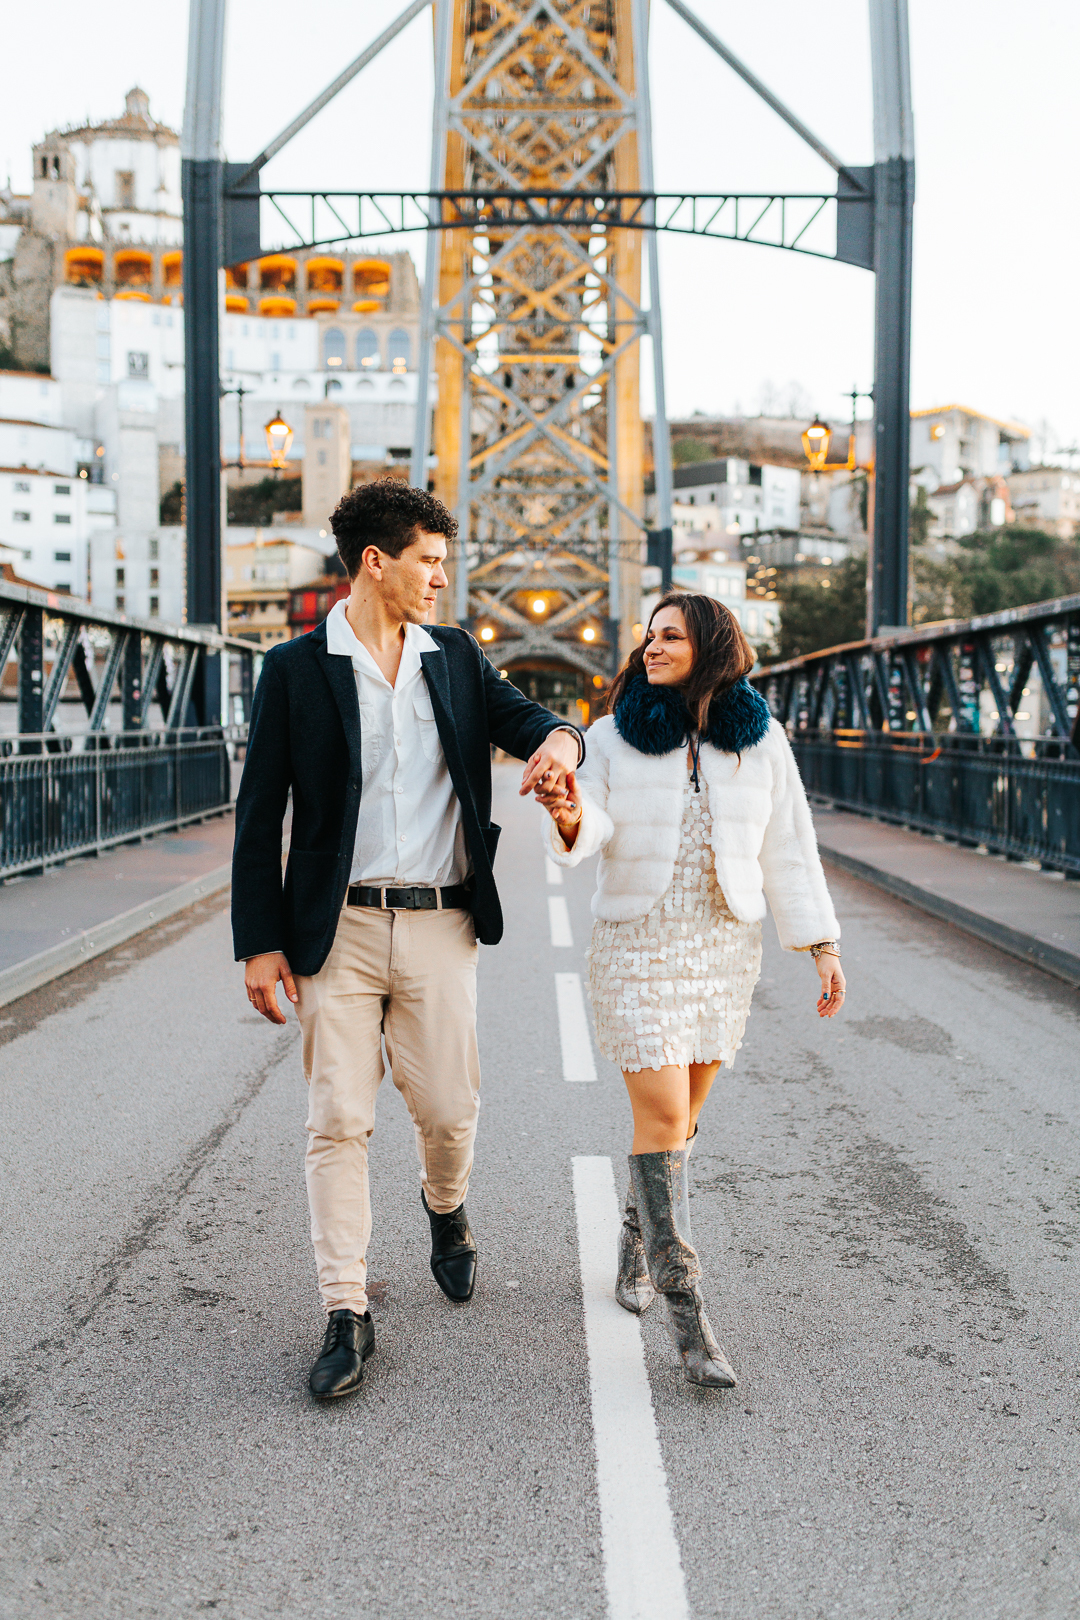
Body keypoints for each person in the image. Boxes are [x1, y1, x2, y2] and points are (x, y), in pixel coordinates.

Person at [232, 480, 583, 1400]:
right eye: (428, 560)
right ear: (376, 562)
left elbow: (531, 721)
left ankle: (445, 1206)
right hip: (337, 929)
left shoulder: (455, 657)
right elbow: (259, 813)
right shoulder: (295, 670)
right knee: (337, 1120)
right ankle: (345, 1311)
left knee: (449, 1110)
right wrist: (259, 940)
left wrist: (564, 743)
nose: (440, 577)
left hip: (440, 922)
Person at [535, 592, 844, 1390]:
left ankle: (635, 1239)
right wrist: (568, 811)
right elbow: (591, 828)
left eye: (669, 636)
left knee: (683, 1122)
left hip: (720, 951)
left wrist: (821, 943)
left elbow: (790, 845)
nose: (651, 647)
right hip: (638, 946)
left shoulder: (761, 740)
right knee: (665, 1116)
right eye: (648, 636)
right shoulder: (613, 735)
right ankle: (688, 1311)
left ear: (711, 645)